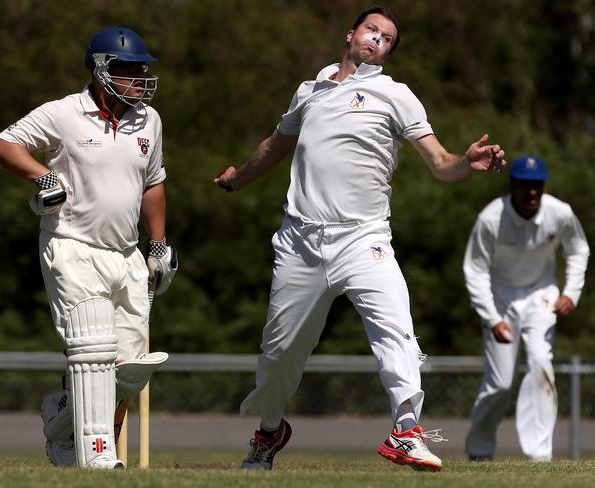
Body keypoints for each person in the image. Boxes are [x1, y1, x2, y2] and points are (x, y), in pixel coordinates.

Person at [215, 5, 505, 472]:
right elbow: (273, 147)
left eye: (388, 38)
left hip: (363, 238)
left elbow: (439, 162)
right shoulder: (308, 92)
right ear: (351, 34)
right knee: (279, 353)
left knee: (397, 328)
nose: (378, 40)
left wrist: (465, 162)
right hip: (301, 241)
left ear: (388, 52)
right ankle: (269, 432)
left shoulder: (396, 95)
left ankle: (406, 430)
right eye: (372, 30)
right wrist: (236, 178)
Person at [0, 27, 178, 469]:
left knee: (129, 371)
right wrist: (45, 177)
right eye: (126, 68)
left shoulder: (149, 120)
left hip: (127, 253)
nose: (137, 77)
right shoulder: (63, 113)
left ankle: (59, 420)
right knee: (94, 350)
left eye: (141, 69)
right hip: (72, 246)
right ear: (99, 69)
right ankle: (97, 455)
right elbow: (4, 146)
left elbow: (153, 184)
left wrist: (159, 243)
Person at [464, 156, 589, 462]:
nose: (532, 193)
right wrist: (492, 318)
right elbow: (475, 270)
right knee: (500, 383)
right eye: (525, 186)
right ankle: (479, 450)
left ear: (543, 187)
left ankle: (539, 453)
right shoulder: (491, 218)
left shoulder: (560, 213)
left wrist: (571, 293)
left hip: (541, 295)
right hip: (501, 299)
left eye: (537, 186)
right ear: (513, 186)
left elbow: (578, 250)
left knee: (540, 362)